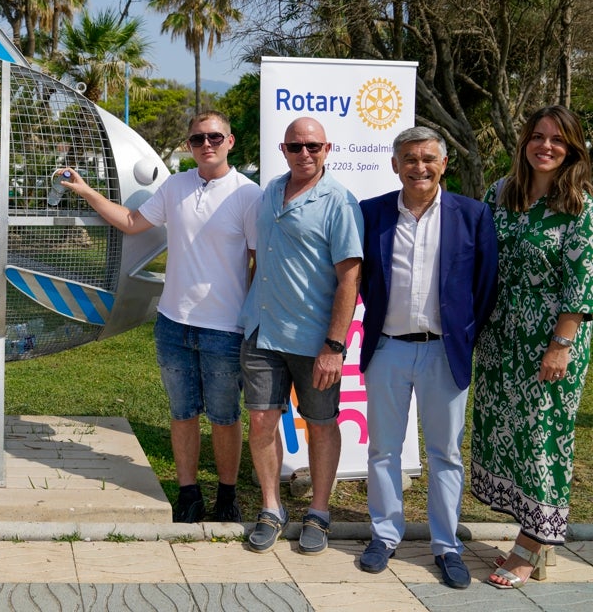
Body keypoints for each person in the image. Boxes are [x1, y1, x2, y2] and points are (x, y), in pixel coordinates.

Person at [60, 110, 261, 522]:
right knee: (182, 413)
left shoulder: (249, 195)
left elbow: (259, 262)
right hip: (173, 323)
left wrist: (250, 318)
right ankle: (188, 494)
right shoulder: (176, 186)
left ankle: (226, 496)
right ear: (189, 145)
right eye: (198, 139)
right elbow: (133, 222)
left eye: (215, 138)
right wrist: (85, 191)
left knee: (225, 417)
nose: (207, 145)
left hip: (225, 328)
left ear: (231, 141)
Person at [356, 126, 498, 589]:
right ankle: (384, 534)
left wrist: (462, 336)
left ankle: (446, 545)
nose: (419, 167)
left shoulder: (472, 215)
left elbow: (485, 286)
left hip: (444, 352)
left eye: (428, 158)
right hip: (388, 349)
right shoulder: (371, 213)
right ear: (395, 164)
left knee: (445, 453)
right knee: (383, 450)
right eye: (410, 159)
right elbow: (358, 280)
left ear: (443, 164)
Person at [471, 105, 593, 589]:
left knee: (544, 436)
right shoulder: (501, 194)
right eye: (538, 136)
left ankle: (531, 547)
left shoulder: (580, 205)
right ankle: (527, 534)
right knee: (511, 434)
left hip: (551, 339)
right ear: (524, 141)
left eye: (558, 140)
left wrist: (560, 345)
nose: (546, 146)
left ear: (573, 148)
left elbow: (582, 283)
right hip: (502, 336)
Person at [238, 116, 362, 555]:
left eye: (313, 146)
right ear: (283, 149)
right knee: (260, 421)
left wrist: (334, 345)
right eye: (295, 146)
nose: (304, 153)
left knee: (322, 425)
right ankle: (272, 507)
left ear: (328, 149)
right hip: (261, 332)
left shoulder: (340, 203)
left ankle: (320, 511)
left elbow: (349, 279)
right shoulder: (270, 191)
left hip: (314, 343)